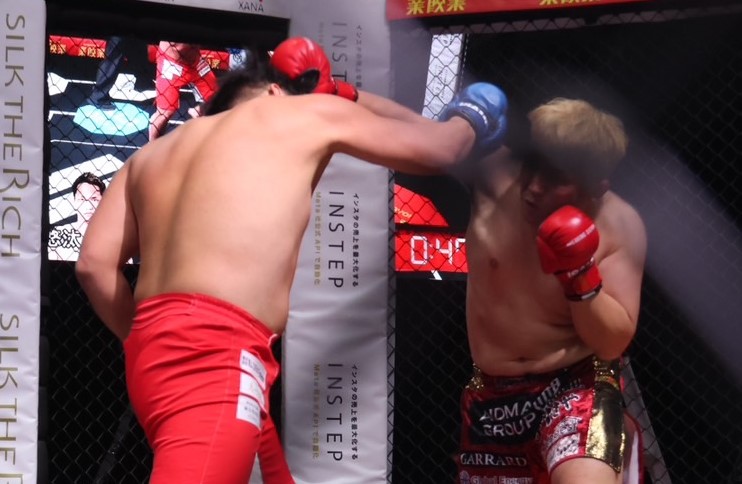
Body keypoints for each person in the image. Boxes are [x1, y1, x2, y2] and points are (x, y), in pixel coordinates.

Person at [76, 36, 508, 483]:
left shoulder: (152, 155)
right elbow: (440, 148)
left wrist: (144, 340)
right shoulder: (291, 113)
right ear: (275, 91)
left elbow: (94, 265)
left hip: (157, 357)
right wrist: (472, 115)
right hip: (216, 359)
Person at [451, 96, 647, 483]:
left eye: (556, 179)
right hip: (492, 397)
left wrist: (580, 277)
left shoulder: (620, 224)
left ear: (595, 187)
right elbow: (418, 143)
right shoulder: (491, 176)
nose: (535, 186)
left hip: (575, 385)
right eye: (533, 165)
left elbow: (613, 342)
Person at [149, 41, 219, 141]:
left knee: (217, 98)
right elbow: (179, 47)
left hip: (195, 62)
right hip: (172, 63)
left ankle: (200, 111)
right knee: (165, 112)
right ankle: (152, 145)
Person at [48, 172, 106, 261]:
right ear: (74, 202)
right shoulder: (58, 235)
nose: (88, 206)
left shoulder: (114, 238)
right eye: (82, 199)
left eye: (94, 199)